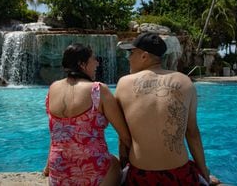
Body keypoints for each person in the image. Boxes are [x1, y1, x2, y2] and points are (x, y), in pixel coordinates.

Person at [116, 32, 216, 185]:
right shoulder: (185, 81)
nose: (128, 58)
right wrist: (203, 173)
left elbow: (123, 137)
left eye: (131, 53)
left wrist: (123, 166)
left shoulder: (124, 83)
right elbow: (192, 133)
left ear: (144, 56)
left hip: (142, 175)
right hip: (179, 174)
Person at [43, 43, 131, 185]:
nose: (97, 63)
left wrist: (48, 167)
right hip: (94, 169)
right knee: (116, 163)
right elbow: (125, 136)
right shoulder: (97, 90)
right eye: (93, 59)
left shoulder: (53, 88)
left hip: (58, 171)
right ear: (82, 64)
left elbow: (56, 135)